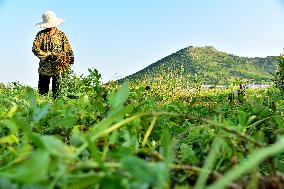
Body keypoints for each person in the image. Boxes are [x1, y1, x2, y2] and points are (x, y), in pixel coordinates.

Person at [32, 11, 74, 98]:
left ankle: (56, 110)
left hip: (59, 69)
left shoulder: (61, 35)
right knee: (42, 95)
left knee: (58, 95)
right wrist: (47, 55)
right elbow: (35, 49)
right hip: (44, 69)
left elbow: (68, 49)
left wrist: (70, 57)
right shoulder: (41, 35)